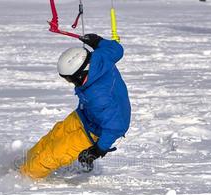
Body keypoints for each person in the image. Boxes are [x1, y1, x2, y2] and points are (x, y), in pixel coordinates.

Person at [20, 33, 131, 179]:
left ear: (79, 75)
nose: (70, 83)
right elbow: (117, 49)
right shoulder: (100, 57)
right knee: (54, 136)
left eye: (69, 79)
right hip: (85, 115)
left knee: (51, 155)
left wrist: (97, 150)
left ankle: (24, 178)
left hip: (93, 132)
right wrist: (98, 41)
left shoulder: (98, 97)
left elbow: (117, 127)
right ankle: (25, 164)